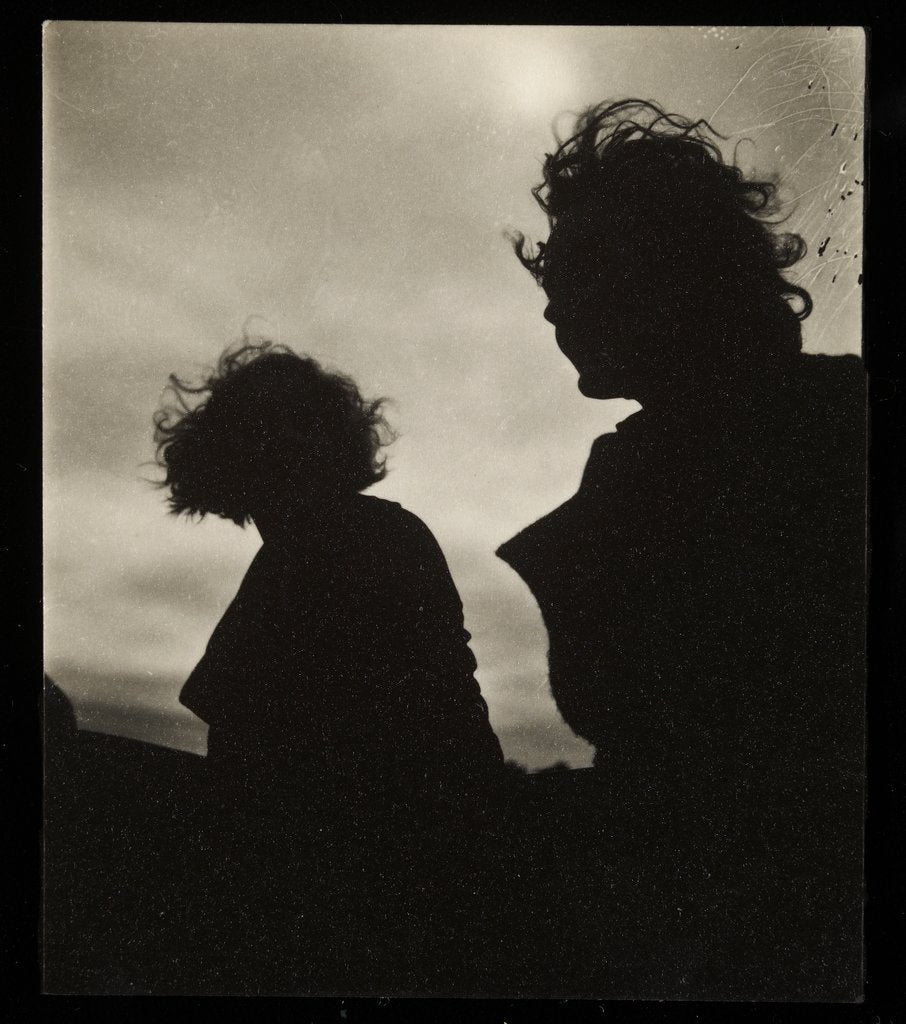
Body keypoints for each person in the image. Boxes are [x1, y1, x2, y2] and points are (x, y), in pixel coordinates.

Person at [495, 100, 866, 999]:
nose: (558, 319)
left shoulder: (706, 459)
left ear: (665, 279)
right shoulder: (829, 413)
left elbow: (676, 739)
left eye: (579, 284)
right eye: (554, 299)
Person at [154, 341, 503, 808]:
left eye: (276, 444)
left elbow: (244, 724)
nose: (273, 460)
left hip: (367, 829)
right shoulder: (344, 538)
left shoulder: (341, 541)